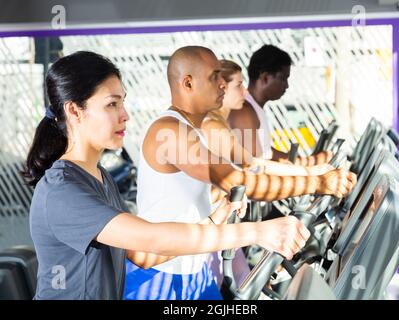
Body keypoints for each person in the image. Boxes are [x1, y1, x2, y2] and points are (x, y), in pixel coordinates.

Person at [23, 51, 311, 300]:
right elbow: (151, 239)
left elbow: (141, 255)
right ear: (74, 110)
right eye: (112, 104)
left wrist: (211, 221)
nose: (125, 115)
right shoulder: (62, 190)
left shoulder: (99, 177)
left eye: (123, 103)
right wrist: (257, 232)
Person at [125, 46, 356, 300]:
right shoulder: (169, 130)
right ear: (187, 83)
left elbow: (249, 166)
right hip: (162, 278)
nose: (222, 84)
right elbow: (238, 179)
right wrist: (317, 182)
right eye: (214, 77)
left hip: (194, 270)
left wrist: (218, 212)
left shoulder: (194, 130)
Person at [201, 59, 334, 177]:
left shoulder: (218, 122)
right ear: (222, 88)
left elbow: (257, 161)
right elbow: (252, 165)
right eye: (238, 85)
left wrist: (307, 168)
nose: (245, 91)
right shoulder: (213, 126)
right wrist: (309, 172)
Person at [228, 44, 331, 166]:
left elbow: (265, 152)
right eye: (283, 78)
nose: (286, 86)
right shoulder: (243, 112)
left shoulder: (254, 108)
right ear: (265, 77)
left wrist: (301, 162)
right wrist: (308, 167)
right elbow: (254, 168)